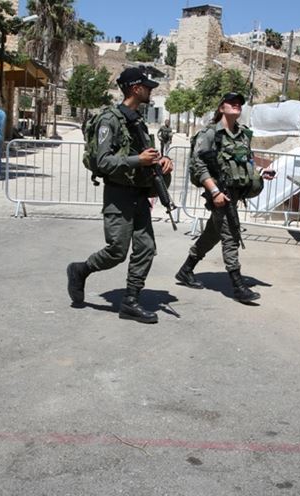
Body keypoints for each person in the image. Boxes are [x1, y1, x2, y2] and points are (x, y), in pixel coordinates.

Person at [66, 67, 174, 323]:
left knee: (146, 248)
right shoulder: (110, 120)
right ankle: (80, 270)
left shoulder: (136, 120)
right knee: (117, 250)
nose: (150, 91)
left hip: (138, 194)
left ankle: (130, 301)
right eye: (147, 87)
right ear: (136, 89)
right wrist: (139, 160)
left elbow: (146, 155)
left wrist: (162, 161)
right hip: (118, 194)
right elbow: (103, 162)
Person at [173, 92, 276, 304]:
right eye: (231, 102)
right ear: (221, 108)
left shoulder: (243, 134)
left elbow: (243, 161)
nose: (236, 105)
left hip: (235, 193)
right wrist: (215, 192)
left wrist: (258, 172)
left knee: (212, 234)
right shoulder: (210, 134)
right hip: (219, 192)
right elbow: (198, 164)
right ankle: (238, 286)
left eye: (239, 103)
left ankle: (186, 270)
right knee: (230, 235)